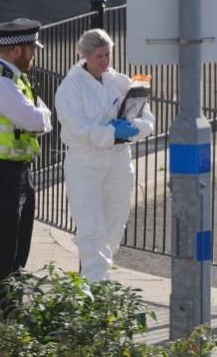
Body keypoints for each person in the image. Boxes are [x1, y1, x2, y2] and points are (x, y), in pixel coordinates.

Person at [55, 29, 155, 283]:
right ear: (85, 56)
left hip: (119, 160)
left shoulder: (121, 82)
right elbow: (77, 128)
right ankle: (94, 286)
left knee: (114, 225)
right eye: (99, 56)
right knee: (91, 227)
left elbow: (148, 119)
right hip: (85, 162)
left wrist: (133, 129)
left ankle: (100, 278)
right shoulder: (71, 87)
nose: (105, 61)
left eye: (108, 54)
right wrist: (110, 132)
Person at [0, 19, 52, 306]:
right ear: (17, 50)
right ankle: (1, 306)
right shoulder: (3, 84)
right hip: (2, 172)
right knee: (6, 245)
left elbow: (43, 116)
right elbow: (37, 119)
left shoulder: (15, 79)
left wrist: (40, 118)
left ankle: (8, 302)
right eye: (32, 49)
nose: (34, 55)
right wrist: (39, 118)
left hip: (16, 169)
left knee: (19, 241)